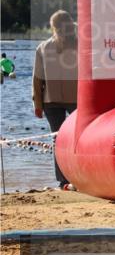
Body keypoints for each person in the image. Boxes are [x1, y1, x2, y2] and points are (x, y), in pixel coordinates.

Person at [32, 11, 78, 189]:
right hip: (76, 98)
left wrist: (37, 104)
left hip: (50, 99)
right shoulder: (82, 45)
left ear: (53, 27)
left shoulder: (43, 47)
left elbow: (37, 79)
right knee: (78, 140)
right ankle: (79, 176)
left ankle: (63, 181)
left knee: (57, 140)